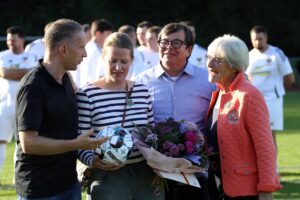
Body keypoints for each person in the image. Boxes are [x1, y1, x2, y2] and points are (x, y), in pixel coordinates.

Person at [15, 19, 108, 200]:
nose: (86, 54)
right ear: (63, 49)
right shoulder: (33, 87)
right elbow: (29, 143)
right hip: (40, 190)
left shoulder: (65, 78)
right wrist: (77, 144)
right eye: (81, 47)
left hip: (69, 184)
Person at [76, 32, 164, 200]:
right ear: (103, 59)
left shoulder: (142, 91)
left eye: (124, 61)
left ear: (132, 60)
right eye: (112, 61)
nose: (118, 67)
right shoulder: (87, 94)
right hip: (107, 176)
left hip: (145, 174)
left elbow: (152, 133)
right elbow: (80, 141)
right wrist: (94, 161)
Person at [136, 22, 215, 200]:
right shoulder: (141, 82)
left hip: (195, 172)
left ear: (189, 50)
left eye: (176, 43)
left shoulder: (207, 81)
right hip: (154, 173)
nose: (169, 47)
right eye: (164, 42)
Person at [204, 34, 282, 200]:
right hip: (216, 186)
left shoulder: (249, 95)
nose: (210, 64)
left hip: (244, 190)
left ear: (233, 65)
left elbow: (265, 147)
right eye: (209, 57)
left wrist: (267, 189)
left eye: (217, 60)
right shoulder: (217, 93)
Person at [246, 25, 295, 150]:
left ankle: (273, 168)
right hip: (254, 102)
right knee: (254, 134)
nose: (257, 42)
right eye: (255, 39)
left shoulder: (276, 53)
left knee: (270, 134)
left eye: (260, 39)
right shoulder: (248, 56)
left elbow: (290, 78)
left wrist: (277, 92)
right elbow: (246, 79)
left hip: (273, 100)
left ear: (266, 38)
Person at [0, 26, 38, 180]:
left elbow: (32, 74)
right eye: (8, 40)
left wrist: (12, 73)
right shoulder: (2, 55)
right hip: (5, 106)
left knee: (21, 143)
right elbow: (3, 72)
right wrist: (22, 72)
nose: (10, 43)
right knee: (1, 141)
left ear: (22, 39)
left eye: (13, 40)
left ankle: (19, 179)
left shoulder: (31, 57)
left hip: (24, 106)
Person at [71, 19, 114, 88]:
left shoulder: (88, 47)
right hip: (92, 90)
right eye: (108, 34)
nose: (110, 38)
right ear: (98, 34)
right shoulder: (95, 52)